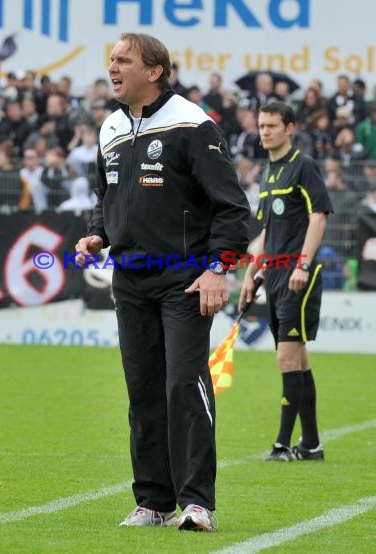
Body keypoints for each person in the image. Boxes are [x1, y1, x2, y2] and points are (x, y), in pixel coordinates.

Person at [75, 32, 250, 531]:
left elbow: (232, 206)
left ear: (154, 71)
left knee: (182, 386)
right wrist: (96, 235)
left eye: (123, 60)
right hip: (129, 280)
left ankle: (197, 503)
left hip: (185, 281)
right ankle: (154, 502)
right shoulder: (109, 128)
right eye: (110, 59)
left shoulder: (193, 124)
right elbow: (105, 199)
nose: (112, 67)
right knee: (143, 390)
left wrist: (219, 268)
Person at [239, 101, 333, 462]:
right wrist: (251, 273)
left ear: (290, 128)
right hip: (274, 273)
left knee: (286, 359)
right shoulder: (268, 172)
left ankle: (281, 445)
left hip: (297, 275)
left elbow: (319, 217)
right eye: (262, 126)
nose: (265, 131)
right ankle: (310, 445)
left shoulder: (303, 166)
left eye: (272, 126)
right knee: (299, 359)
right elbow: (265, 230)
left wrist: (302, 265)